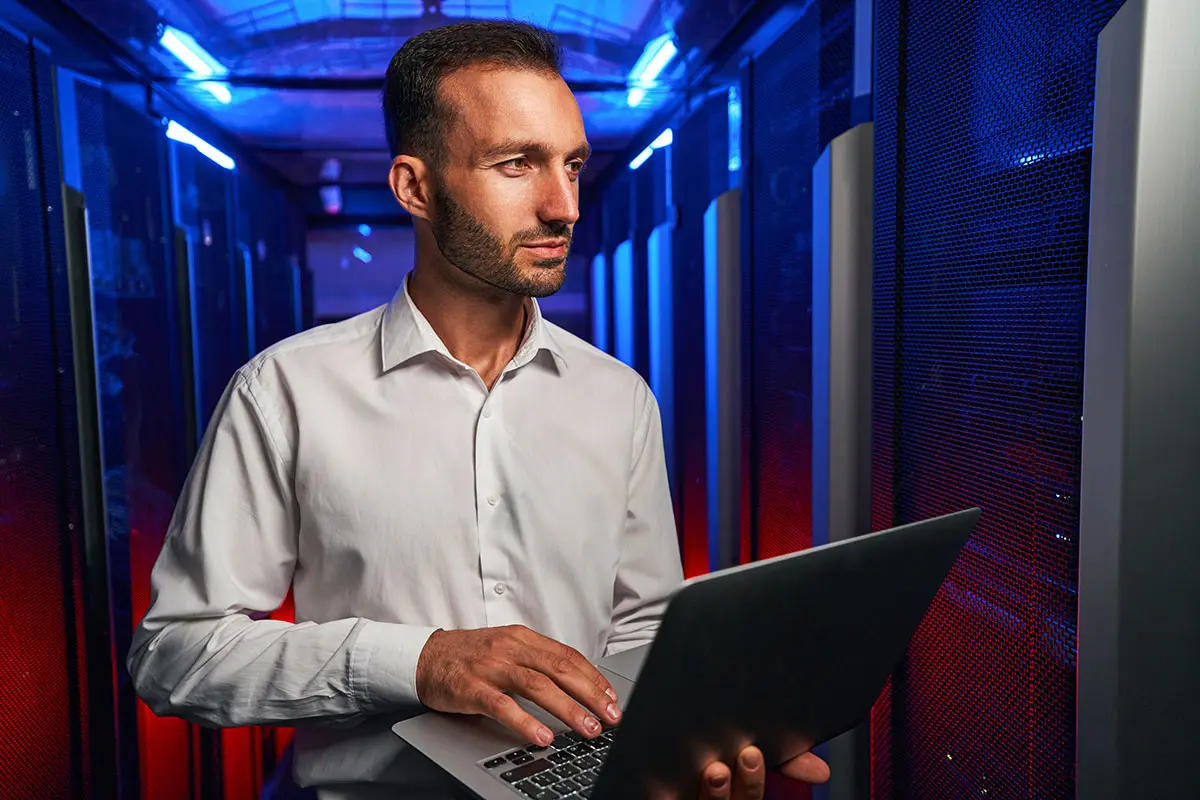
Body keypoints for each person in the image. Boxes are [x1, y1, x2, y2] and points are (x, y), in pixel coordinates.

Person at [128, 20, 829, 800]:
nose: (563, 206)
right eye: (517, 164)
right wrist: (420, 662)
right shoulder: (284, 392)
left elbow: (640, 635)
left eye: (571, 165)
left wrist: (697, 736)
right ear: (415, 188)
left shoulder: (616, 397)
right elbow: (176, 656)